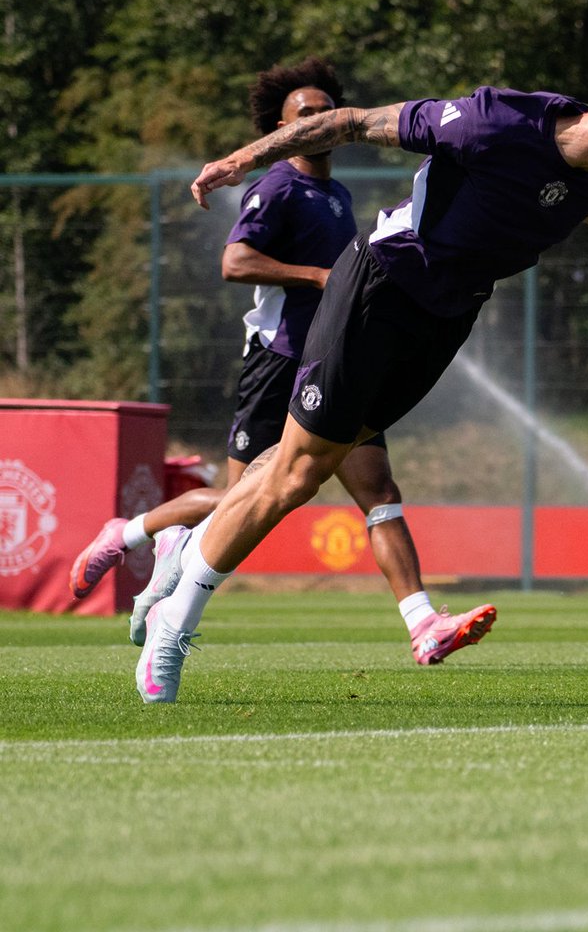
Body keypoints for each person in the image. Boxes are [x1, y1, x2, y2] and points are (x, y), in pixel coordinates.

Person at [136, 58, 588, 703]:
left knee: (304, 460)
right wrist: (243, 160)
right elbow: (351, 121)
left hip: (446, 319)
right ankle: (174, 623)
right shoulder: (497, 121)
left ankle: (183, 550)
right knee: (299, 476)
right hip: (379, 287)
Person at [70, 57, 493, 664]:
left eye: (326, 112)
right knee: (240, 497)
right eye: (307, 114)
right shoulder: (276, 186)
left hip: (340, 359)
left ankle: (423, 624)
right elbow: (235, 262)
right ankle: (133, 534)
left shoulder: (336, 194)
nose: (319, 120)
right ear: (282, 126)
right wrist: (320, 277)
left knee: (378, 490)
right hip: (281, 359)